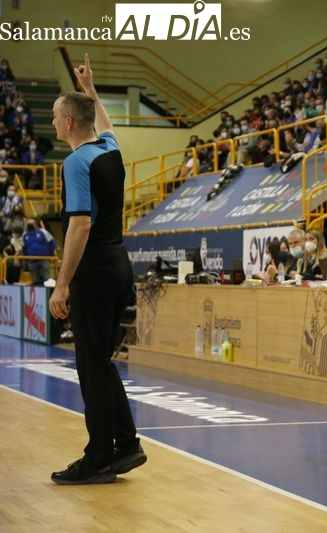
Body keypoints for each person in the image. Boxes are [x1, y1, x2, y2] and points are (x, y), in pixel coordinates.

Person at [48, 54, 146, 484]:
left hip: (93, 272)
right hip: (119, 265)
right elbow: (104, 123)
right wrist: (90, 91)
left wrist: (62, 283)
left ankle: (98, 458)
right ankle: (126, 444)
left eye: (55, 117)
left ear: (69, 124)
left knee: (91, 367)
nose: (52, 123)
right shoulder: (109, 148)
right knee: (101, 363)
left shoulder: (76, 162)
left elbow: (80, 223)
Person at [21, 217, 56, 284]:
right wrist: (26, 259)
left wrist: (50, 255)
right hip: (32, 262)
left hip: (44, 260)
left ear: (36, 224)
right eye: (28, 223)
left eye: (32, 223)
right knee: (35, 281)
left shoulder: (43, 232)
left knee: (46, 280)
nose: (30, 225)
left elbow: (52, 242)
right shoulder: (24, 235)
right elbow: (24, 248)